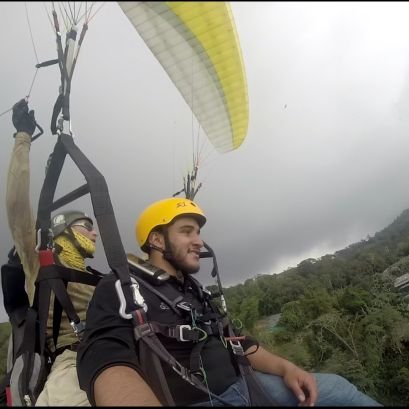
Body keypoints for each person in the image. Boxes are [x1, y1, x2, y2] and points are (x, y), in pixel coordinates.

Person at [77, 197, 381, 406]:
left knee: (339, 389)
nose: (199, 241)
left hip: (248, 387)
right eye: (186, 232)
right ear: (156, 240)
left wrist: (288, 368)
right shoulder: (123, 285)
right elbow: (106, 361)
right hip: (198, 401)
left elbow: (239, 341)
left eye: (198, 232)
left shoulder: (194, 290)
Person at [6, 99, 99, 406]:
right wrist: (23, 138)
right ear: (65, 231)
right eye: (87, 226)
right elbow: (17, 206)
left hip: (119, 348)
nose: (95, 233)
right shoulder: (40, 263)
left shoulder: (101, 277)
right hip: (72, 361)